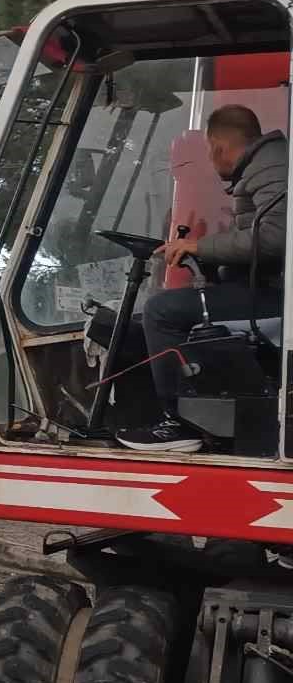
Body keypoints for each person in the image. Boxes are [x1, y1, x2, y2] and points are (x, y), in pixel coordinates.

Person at [118, 105, 287, 453]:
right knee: (148, 317)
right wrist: (207, 262)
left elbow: (276, 238)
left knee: (161, 312)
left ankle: (180, 423)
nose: (210, 161)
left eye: (209, 152)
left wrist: (199, 246)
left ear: (218, 148)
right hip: (267, 288)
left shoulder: (272, 165)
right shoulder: (265, 164)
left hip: (278, 298)